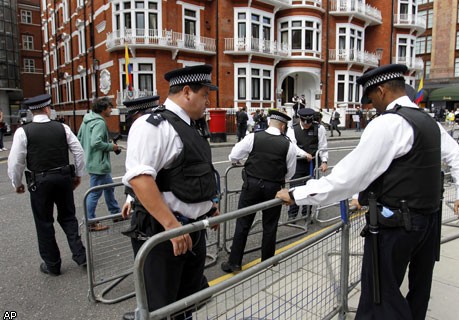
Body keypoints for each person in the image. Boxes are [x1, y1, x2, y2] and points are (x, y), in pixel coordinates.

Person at [276, 64, 459, 320]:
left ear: (381, 91)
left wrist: (296, 195)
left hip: (397, 225)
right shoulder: (427, 120)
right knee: (419, 290)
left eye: (371, 99)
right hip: (428, 220)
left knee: (380, 297)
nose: (371, 106)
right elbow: (453, 157)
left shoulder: (389, 123)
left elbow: (349, 176)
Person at [120, 65, 220, 320]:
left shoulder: (190, 126)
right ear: (187, 92)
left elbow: (191, 173)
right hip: (165, 234)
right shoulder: (152, 125)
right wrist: (171, 225)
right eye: (205, 95)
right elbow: (141, 179)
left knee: (187, 302)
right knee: (162, 307)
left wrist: (209, 205)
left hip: (190, 231)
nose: (208, 102)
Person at [7, 94, 87, 276]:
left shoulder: (23, 131)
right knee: (68, 217)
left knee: (44, 222)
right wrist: (78, 174)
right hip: (63, 177)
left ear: (32, 111)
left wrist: (17, 182)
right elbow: (79, 152)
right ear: (46, 109)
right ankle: (81, 255)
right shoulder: (62, 127)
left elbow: (16, 161)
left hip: (40, 181)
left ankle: (53, 264)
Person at [221, 110, 306, 273]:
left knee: (243, 223)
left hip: (251, 185)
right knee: (270, 225)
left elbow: (233, 156)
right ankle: (267, 262)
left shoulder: (254, 137)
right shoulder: (288, 144)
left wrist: (239, 161)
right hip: (274, 188)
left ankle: (234, 263)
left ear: (269, 123)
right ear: (282, 126)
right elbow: (290, 172)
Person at [77, 97, 121, 231]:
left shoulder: (87, 120)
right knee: (95, 193)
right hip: (99, 163)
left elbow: (79, 138)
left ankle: (116, 213)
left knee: (109, 187)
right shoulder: (100, 123)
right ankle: (90, 221)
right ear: (103, 109)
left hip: (91, 160)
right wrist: (111, 147)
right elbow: (96, 143)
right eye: (109, 107)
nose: (111, 110)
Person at [286, 108, 328, 221]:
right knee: (295, 187)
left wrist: (324, 161)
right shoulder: (292, 129)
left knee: (310, 188)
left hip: (312, 164)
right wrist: (304, 154)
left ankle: (306, 214)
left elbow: (323, 146)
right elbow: (293, 146)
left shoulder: (319, 128)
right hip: (297, 163)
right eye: (305, 123)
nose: (307, 125)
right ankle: (292, 215)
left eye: (309, 123)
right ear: (300, 119)